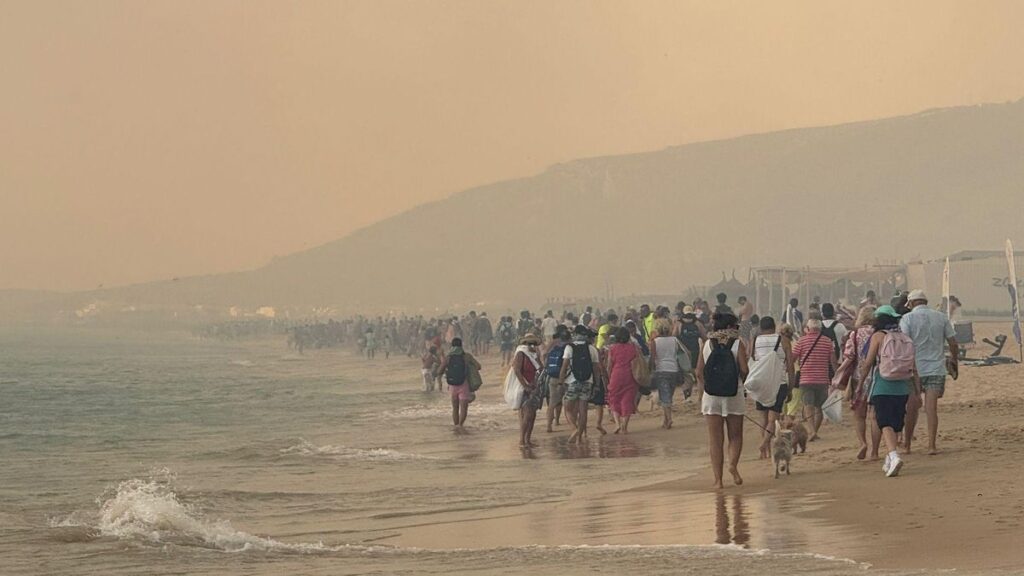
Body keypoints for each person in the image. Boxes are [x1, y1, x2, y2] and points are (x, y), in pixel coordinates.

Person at [860, 305, 922, 477]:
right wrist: (917, 391)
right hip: (902, 386)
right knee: (895, 424)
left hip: (882, 385)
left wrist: (860, 385)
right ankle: (889, 457)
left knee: (884, 423)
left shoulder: (878, 337)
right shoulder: (904, 337)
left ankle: (894, 456)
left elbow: (868, 363)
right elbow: (914, 368)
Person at [900, 290, 958, 455]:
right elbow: (953, 342)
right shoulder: (941, 317)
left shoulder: (907, 318)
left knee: (911, 408)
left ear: (911, 303)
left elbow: (905, 343)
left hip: (915, 369)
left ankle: (907, 445)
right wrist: (954, 360)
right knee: (931, 408)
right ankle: (931, 445)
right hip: (936, 368)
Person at [696, 312, 749, 489]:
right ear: (729, 327)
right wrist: (736, 381)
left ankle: (718, 481)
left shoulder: (706, 344)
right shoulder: (737, 344)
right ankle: (732, 465)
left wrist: (710, 385)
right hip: (734, 394)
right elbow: (744, 369)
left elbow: (698, 372)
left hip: (712, 397)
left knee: (715, 440)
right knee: (735, 435)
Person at [751, 316, 794, 459]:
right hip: (779, 383)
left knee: (762, 418)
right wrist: (790, 386)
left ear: (761, 328)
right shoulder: (784, 340)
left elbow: (752, 359)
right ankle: (764, 443)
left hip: (761, 383)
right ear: (774, 326)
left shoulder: (755, 340)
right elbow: (790, 365)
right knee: (772, 419)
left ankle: (767, 451)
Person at [844, 305, 880, 460]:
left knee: (859, 415)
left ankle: (862, 443)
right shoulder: (881, 333)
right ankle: (875, 451)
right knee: (874, 416)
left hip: (859, 378)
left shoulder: (855, 334)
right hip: (877, 377)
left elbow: (849, 355)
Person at [792, 318, 837, 441]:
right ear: (820, 328)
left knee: (808, 406)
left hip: (806, 379)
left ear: (808, 328)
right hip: (822, 380)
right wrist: (837, 375)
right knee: (819, 407)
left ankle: (811, 431)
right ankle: (814, 431)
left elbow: (792, 358)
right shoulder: (827, 342)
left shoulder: (801, 341)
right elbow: (833, 361)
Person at [559, 325, 600, 445]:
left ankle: (574, 429)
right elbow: (596, 369)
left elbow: (564, 367)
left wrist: (561, 382)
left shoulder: (569, 347)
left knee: (567, 409)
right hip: (588, 381)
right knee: (583, 411)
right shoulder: (591, 348)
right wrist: (597, 384)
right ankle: (579, 438)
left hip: (572, 381)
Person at [436, 338, 481, 432]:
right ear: (461, 345)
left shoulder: (448, 358)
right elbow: (478, 366)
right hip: (464, 385)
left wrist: (448, 371)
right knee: (463, 408)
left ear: (452, 346)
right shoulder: (466, 356)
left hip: (452, 386)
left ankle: (456, 426)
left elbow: (439, 371)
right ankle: (460, 426)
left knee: (455, 408)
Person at [605, 327, 640, 433]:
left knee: (614, 399)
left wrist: (608, 376)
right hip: (630, 376)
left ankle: (617, 424)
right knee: (627, 400)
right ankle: (624, 426)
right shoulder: (633, 348)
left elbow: (609, 365)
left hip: (616, 375)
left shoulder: (613, 349)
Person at [649, 319, 682, 429]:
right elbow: (679, 354)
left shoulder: (655, 342)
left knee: (664, 396)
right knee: (668, 395)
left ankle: (669, 419)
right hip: (674, 369)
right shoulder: (674, 340)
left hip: (661, 370)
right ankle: (665, 419)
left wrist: (650, 370)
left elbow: (653, 358)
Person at [513, 334, 544, 448]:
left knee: (532, 415)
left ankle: (528, 440)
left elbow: (541, 369)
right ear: (525, 344)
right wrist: (525, 385)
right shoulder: (521, 354)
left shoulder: (534, 355)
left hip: (535, 387)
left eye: (534, 343)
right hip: (525, 388)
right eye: (530, 343)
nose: (532, 345)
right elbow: (516, 370)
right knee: (527, 415)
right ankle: (522, 440)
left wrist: (538, 360)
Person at [544, 326, 572, 432]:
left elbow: (545, 355)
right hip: (566, 378)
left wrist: (546, 368)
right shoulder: (568, 346)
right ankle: (562, 421)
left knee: (552, 402)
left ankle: (549, 425)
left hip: (552, 376)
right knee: (568, 401)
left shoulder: (553, 344)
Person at [820, 303, 848, 368]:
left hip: (821, 363)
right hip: (838, 361)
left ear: (822, 313)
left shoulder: (818, 327)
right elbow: (846, 343)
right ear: (833, 313)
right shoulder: (840, 326)